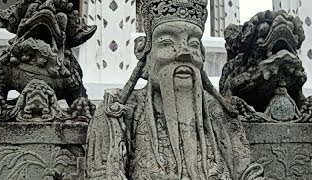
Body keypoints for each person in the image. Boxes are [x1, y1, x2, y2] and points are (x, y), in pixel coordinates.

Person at [86, 0, 265, 179]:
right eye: (167, 42)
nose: (184, 52)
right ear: (145, 53)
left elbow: (248, 172)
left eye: (193, 43)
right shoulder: (119, 112)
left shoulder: (216, 112)